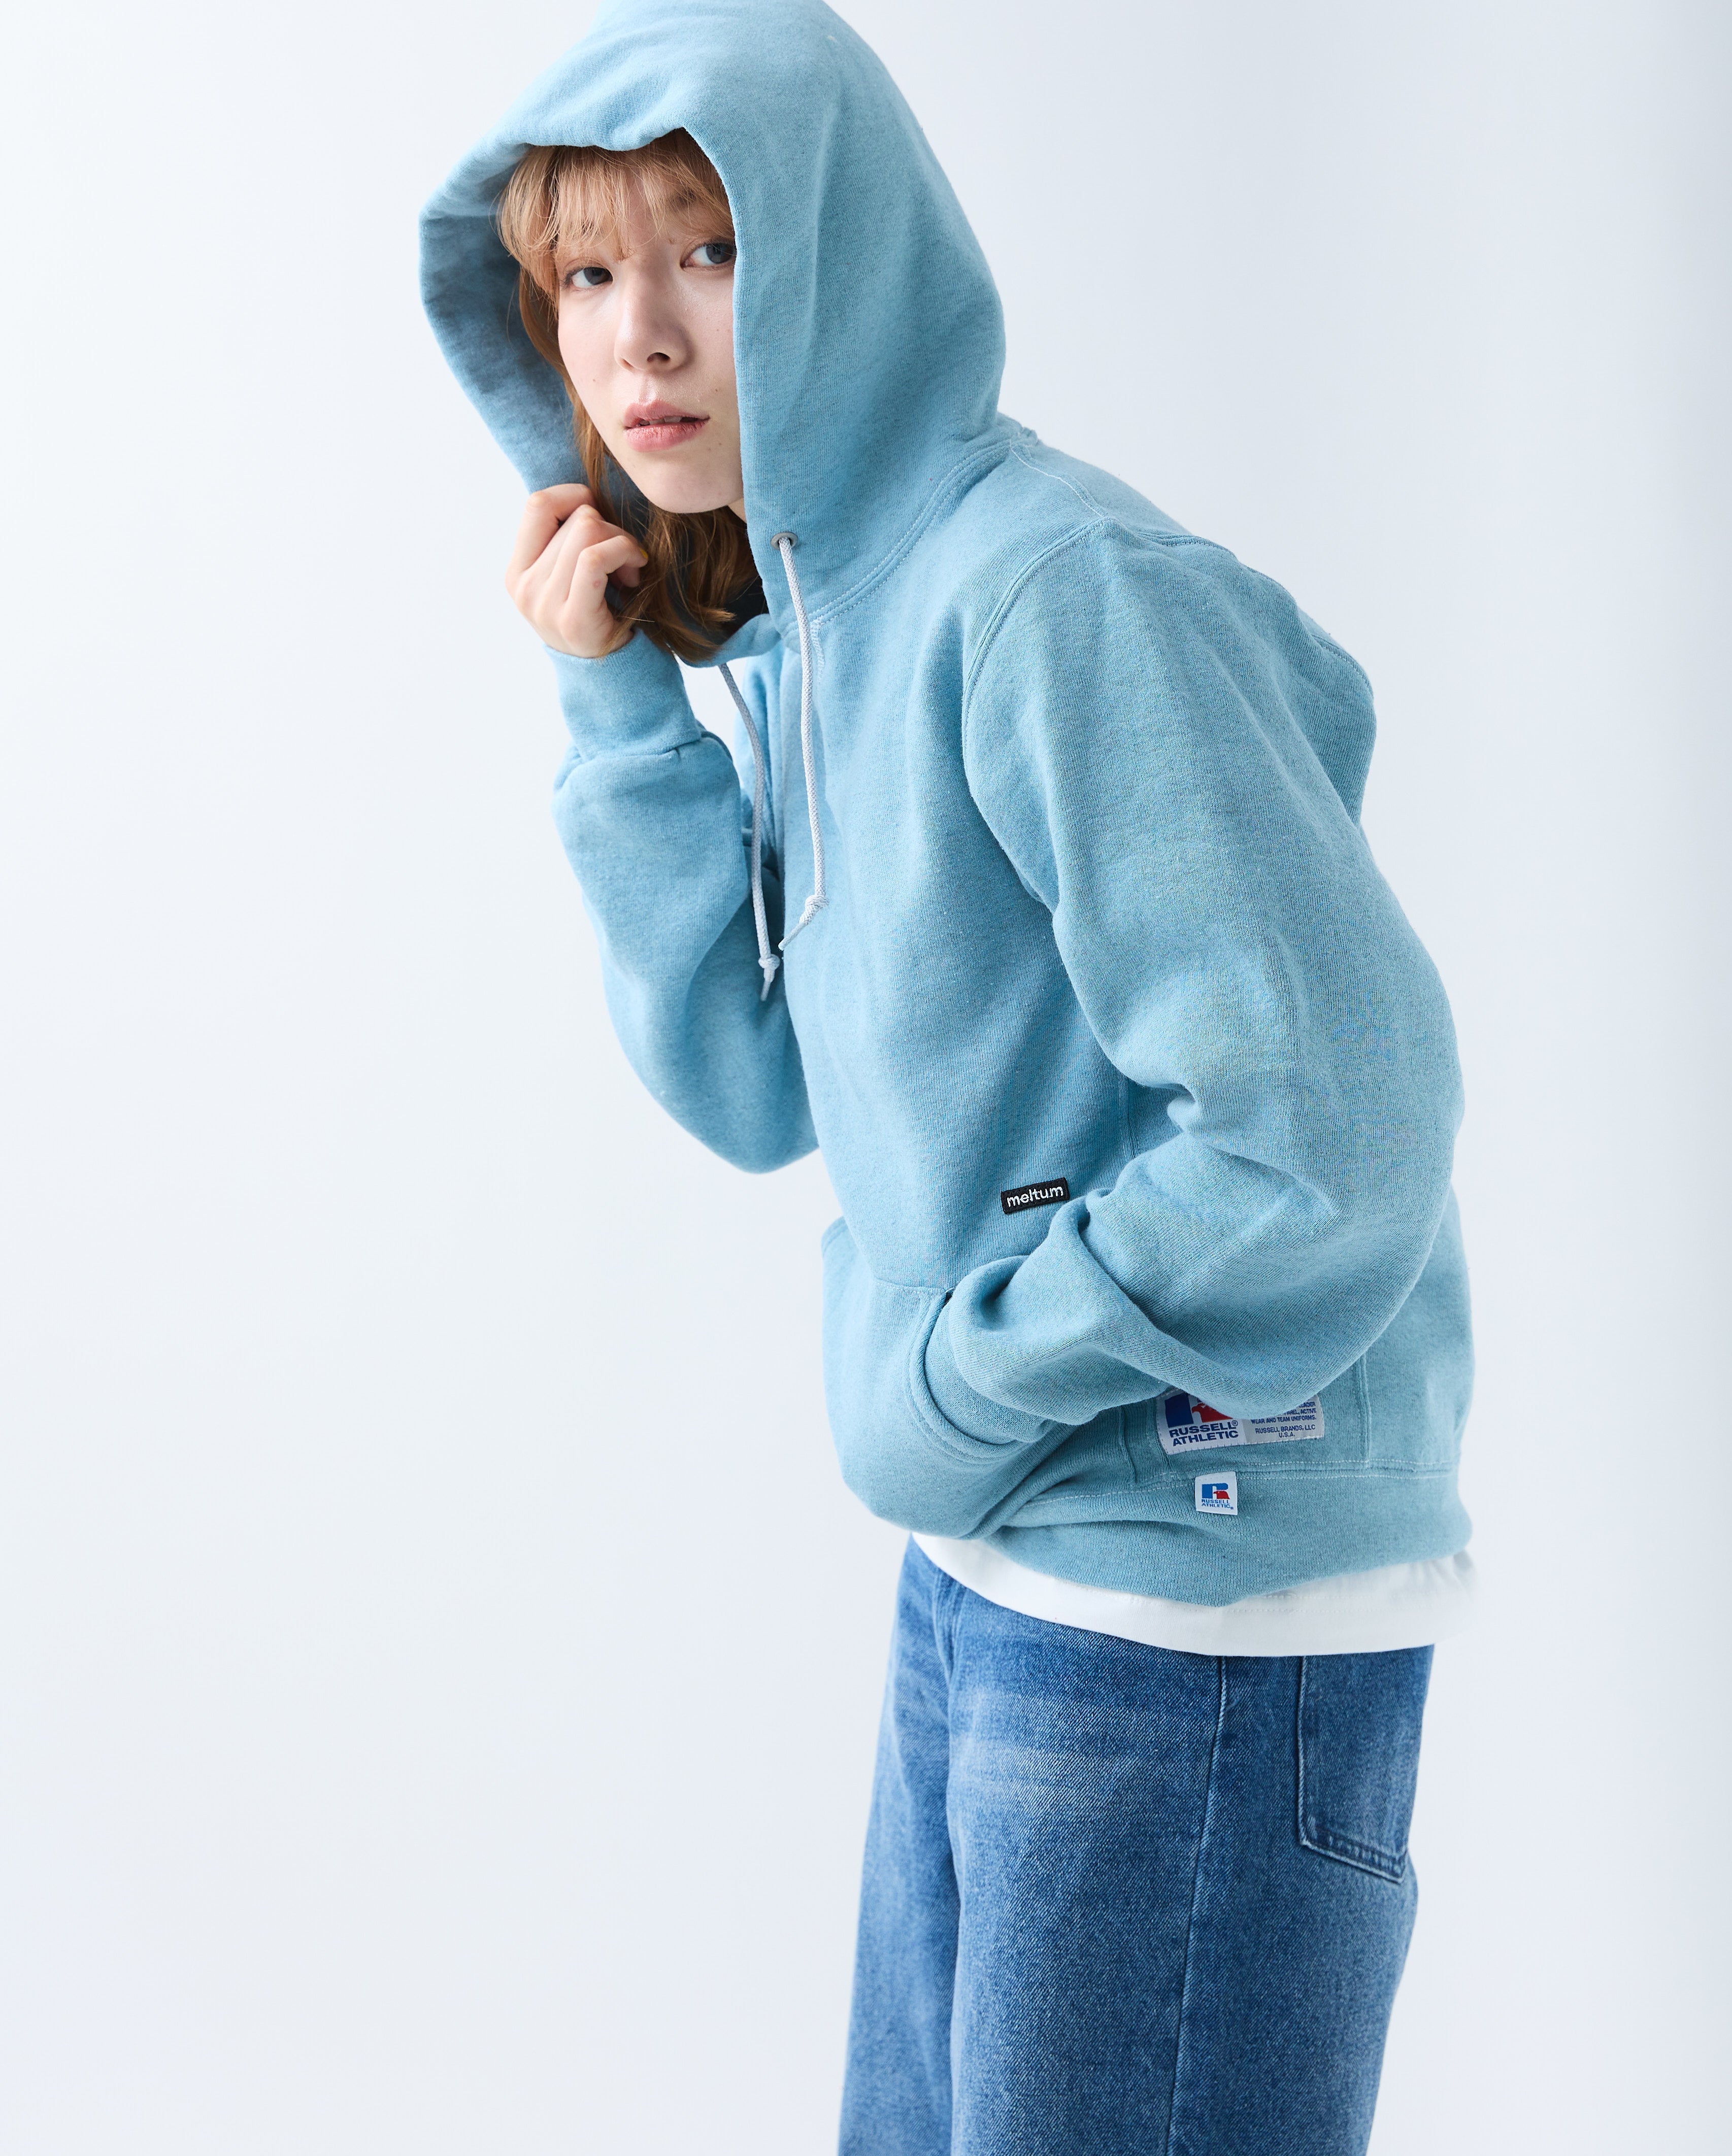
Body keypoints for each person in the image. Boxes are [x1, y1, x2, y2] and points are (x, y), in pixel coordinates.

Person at [421, 2, 1476, 2148]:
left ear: (843, 248)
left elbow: (1327, 1138)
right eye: (587, 272)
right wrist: (621, 713)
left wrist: (957, 1380)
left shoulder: (1053, 593)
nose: (641, 339)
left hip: (1195, 1591)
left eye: (710, 251)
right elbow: (750, 1086)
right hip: (1006, 1564)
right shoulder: (830, 625)